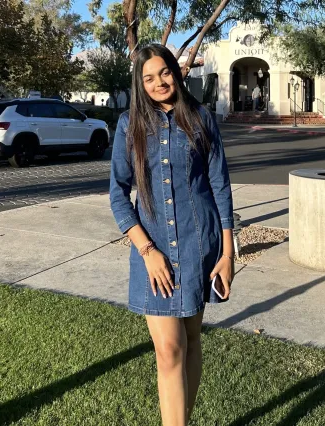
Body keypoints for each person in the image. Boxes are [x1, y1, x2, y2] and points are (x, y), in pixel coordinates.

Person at [109, 44, 235, 426]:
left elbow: (220, 186)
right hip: (155, 251)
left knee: (192, 340)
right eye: (148, 77)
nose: (159, 82)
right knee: (168, 349)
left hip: (201, 244)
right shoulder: (129, 126)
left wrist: (228, 254)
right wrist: (147, 250)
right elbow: (118, 194)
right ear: (139, 83)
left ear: (176, 73)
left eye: (164, 72)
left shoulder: (200, 118)